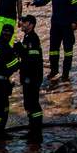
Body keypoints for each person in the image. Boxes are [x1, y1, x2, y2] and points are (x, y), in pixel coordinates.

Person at [31, 0, 77, 82]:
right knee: (53, 49)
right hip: (56, 25)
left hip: (67, 26)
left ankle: (65, 74)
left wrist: (75, 22)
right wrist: (35, 2)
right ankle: (54, 70)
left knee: (68, 51)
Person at [15, 15, 44, 144]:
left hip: (32, 77)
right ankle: (32, 131)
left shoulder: (33, 38)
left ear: (31, 24)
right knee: (28, 105)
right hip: (28, 76)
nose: (22, 23)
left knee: (33, 105)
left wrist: (20, 49)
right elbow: (25, 56)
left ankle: (36, 134)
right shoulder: (27, 38)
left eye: (25, 22)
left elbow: (32, 59)